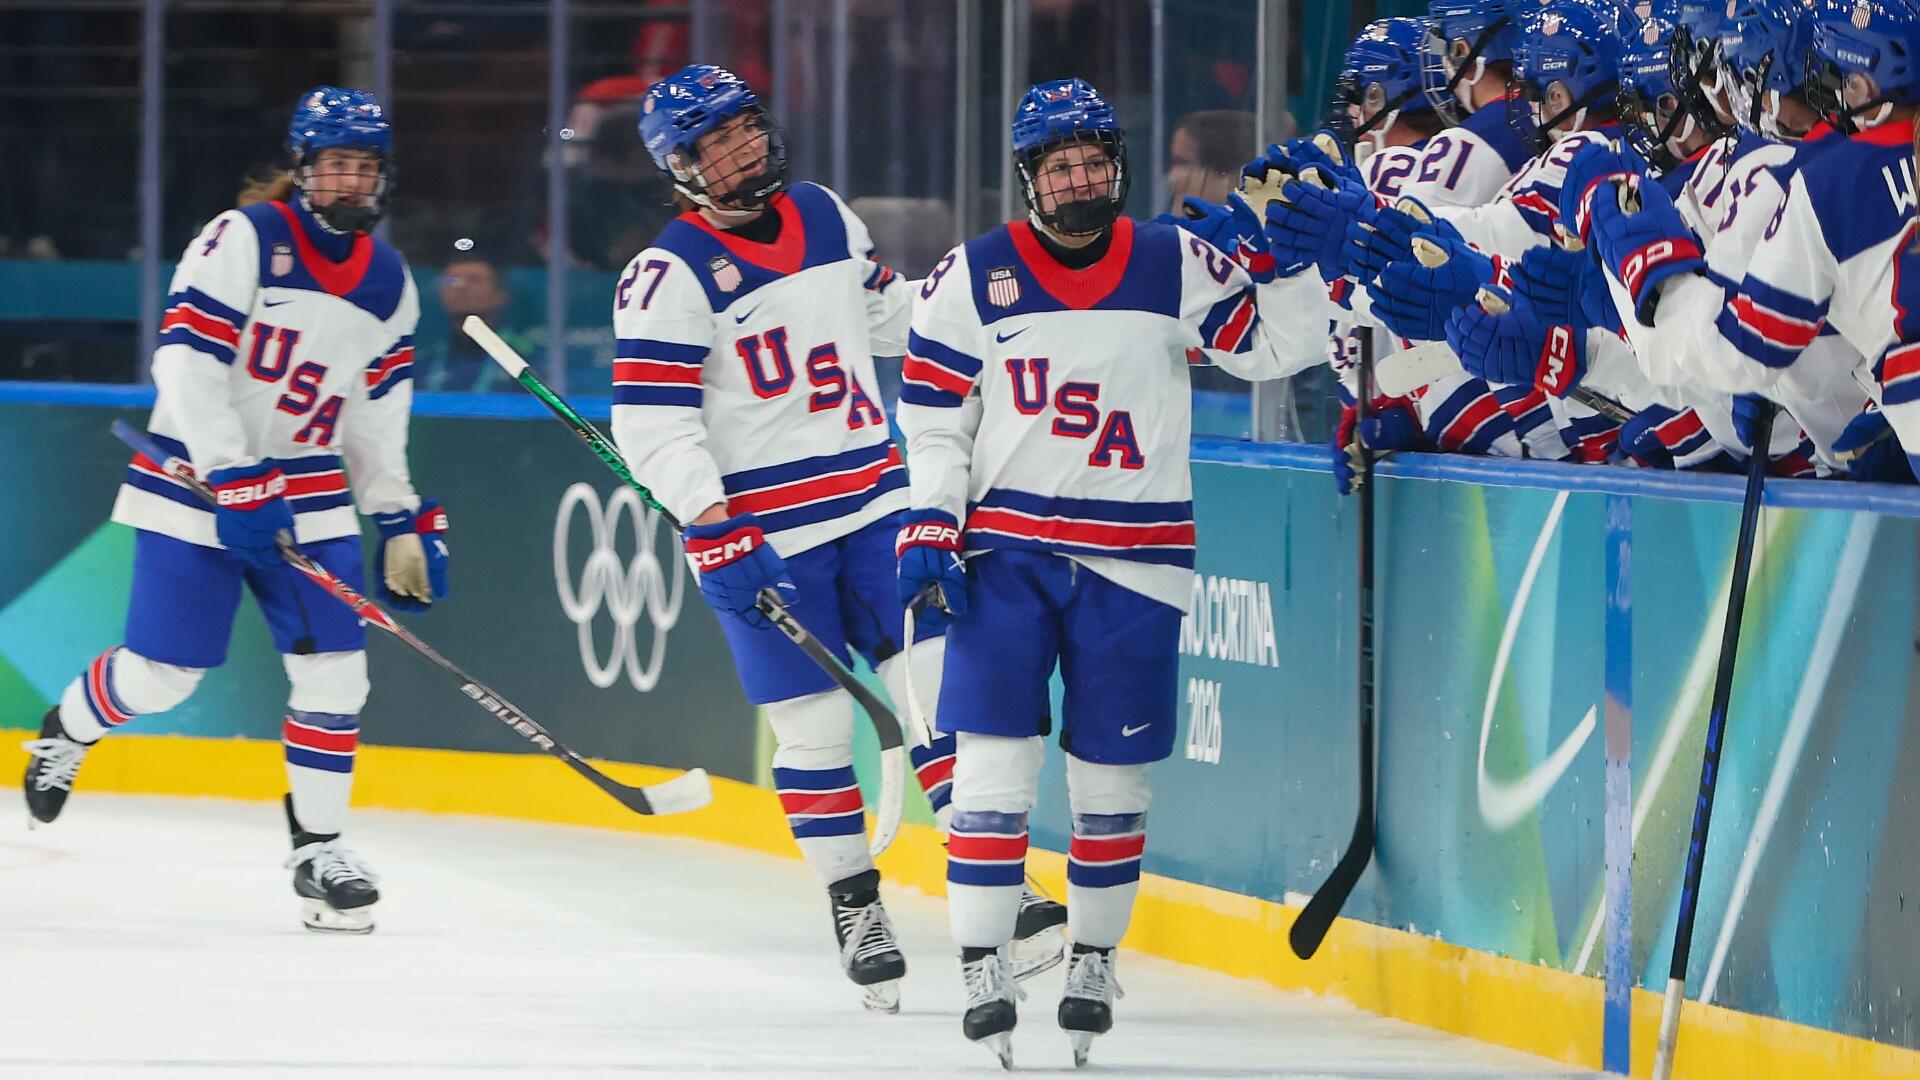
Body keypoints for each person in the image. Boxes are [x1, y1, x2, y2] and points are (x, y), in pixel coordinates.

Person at [608, 63, 1066, 1015]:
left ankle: (995, 878)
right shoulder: (666, 276)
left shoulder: (823, 213)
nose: (740, 150)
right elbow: (653, 423)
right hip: (763, 537)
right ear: (678, 168)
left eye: (744, 128)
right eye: (712, 143)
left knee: (941, 693)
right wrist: (711, 522)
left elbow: (891, 315)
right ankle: (855, 905)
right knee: (814, 730)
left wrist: (991, 316)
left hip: (877, 505)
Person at [897, 78, 1293, 1068]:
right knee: (991, 769)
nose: (1079, 179)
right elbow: (936, 422)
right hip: (1008, 552)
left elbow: (1273, 348)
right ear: (1028, 176)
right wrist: (932, 515)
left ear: (1116, 165)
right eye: (1059, 165)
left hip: (1138, 559)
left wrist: (1295, 261)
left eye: (1093, 161)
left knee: (1113, 781)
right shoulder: (970, 275)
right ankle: (982, 962)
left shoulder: (1175, 258)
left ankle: (1092, 958)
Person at [19, 87, 448, 935]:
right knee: (164, 676)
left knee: (338, 674)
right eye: (335, 164)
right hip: (196, 484)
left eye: (364, 166)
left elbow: (375, 410)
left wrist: (396, 514)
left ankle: (319, 852)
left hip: (311, 494)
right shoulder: (241, 237)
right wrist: (234, 470)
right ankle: (70, 726)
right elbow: (185, 362)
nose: (350, 180)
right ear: (303, 168)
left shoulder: (391, 282)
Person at [417, 248, 529, 392]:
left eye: (475, 280)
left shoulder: (527, 360)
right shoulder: (423, 360)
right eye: (452, 281)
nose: (461, 287)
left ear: (501, 295)